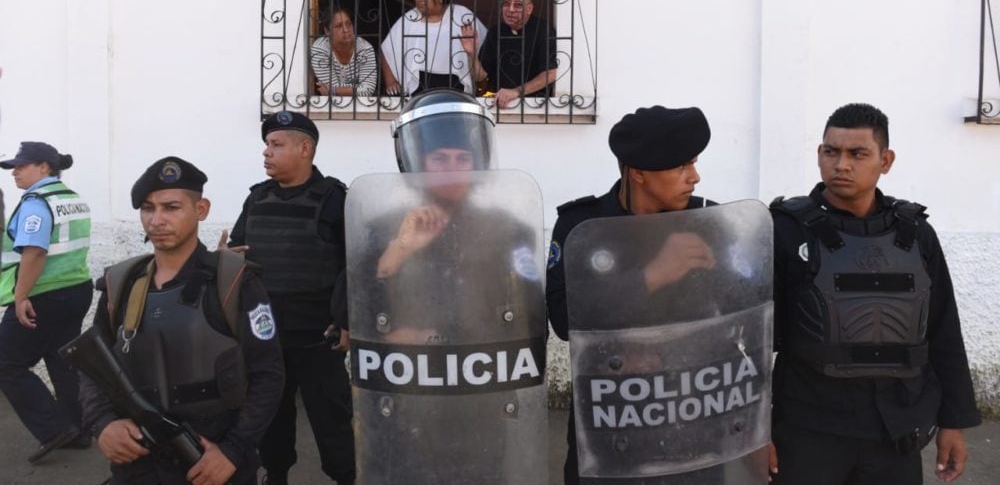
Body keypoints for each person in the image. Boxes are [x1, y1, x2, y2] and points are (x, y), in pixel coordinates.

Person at [768, 103, 981, 484]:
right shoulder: (785, 231)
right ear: (819, 154)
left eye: (857, 153)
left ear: (886, 160)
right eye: (831, 152)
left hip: (895, 428)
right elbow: (751, 340)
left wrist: (955, 421)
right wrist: (754, 432)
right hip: (808, 426)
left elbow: (944, 330)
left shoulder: (915, 234)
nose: (841, 164)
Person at [349, 90, 547, 484]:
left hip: (481, 404)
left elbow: (532, 314)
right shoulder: (380, 230)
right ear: (416, 161)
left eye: (463, 158)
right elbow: (347, 310)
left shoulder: (511, 232)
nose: (453, 169)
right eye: (439, 159)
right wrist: (398, 251)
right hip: (408, 403)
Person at [79, 156, 285, 484]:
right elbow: (92, 364)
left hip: (210, 461)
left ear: (200, 210)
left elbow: (268, 375)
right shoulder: (122, 284)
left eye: (171, 207)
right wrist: (102, 424)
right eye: (148, 208)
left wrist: (234, 450)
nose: (156, 220)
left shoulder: (233, 283)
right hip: (139, 463)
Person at [545, 106, 718, 485]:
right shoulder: (582, 226)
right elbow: (562, 319)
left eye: (694, 162)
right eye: (680, 166)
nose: (695, 177)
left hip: (690, 423)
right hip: (608, 427)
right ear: (637, 172)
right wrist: (651, 276)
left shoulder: (711, 224)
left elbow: (738, 321)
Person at [227, 111, 355, 485]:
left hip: (319, 337)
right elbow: (238, 253)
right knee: (270, 419)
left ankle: (348, 477)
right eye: (267, 145)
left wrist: (346, 320)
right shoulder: (257, 197)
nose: (266, 152)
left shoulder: (334, 198)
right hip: (265, 336)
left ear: (305, 148)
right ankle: (276, 474)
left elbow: (354, 262)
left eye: (276, 144)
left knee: (332, 420)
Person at [0, 141, 93, 463]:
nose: (14, 171)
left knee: (7, 363)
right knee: (62, 359)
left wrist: (21, 296)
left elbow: (35, 251)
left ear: (44, 168)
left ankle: (54, 430)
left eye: (21, 165)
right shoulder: (71, 198)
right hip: (76, 289)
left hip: (43, 294)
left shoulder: (37, 201)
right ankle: (80, 429)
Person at [380, 0, 487, 96]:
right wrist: (390, 81)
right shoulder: (409, 18)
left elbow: (487, 45)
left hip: (456, 88)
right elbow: (387, 49)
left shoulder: (461, 15)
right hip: (420, 90)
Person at [461, 0, 558, 108]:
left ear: (529, 9)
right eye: (506, 3)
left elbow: (550, 74)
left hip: (534, 108)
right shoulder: (497, 32)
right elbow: (481, 77)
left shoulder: (543, 30)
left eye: (518, 5)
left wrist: (516, 92)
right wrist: (471, 53)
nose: (510, 9)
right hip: (498, 107)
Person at [309, 6, 378, 97]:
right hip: (331, 106)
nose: (346, 30)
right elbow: (363, 90)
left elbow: (368, 90)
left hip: (361, 106)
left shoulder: (365, 48)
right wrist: (358, 88)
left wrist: (333, 90)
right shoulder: (320, 49)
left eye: (349, 24)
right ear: (327, 31)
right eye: (339, 26)